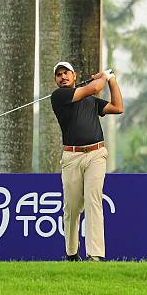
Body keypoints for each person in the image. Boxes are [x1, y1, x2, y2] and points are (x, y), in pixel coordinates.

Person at [51, 61, 123, 261]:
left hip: (96, 154)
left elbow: (118, 107)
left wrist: (112, 80)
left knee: (93, 201)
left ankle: (95, 255)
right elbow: (94, 87)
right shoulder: (59, 97)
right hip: (72, 157)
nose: (63, 77)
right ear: (56, 80)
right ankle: (72, 253)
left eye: (67, 73)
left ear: (74, 76)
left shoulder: (91, 101)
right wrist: (105, 76)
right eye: (59, 75)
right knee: (72, 207)